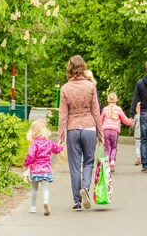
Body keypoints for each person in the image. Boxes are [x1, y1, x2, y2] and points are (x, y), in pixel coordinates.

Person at [58, 55, 103, 211]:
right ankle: (85, 187)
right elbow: (96, 112)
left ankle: (77, 202)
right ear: (83, 67)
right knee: (89, 161)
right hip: (89, 126)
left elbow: (63, 115)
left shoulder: (65, 88)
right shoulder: (91, 87)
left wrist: (60, 136)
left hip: (72, 129)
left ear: (69, 68)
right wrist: (100, 133)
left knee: (74, 166)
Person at [23, 119, 63, 216]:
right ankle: (45, 202)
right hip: (45, 170)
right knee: (46, 188)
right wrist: (61, 145)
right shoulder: (49, 143)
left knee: (34, 189)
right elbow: (57, 150)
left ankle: (33, 207)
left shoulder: (34, 144)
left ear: (32, 132)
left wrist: (26, 164)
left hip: (35, 170)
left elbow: (31, 156)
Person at [101, 92, 133, 172]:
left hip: (106, 130)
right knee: (114, 147)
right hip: (115, 131)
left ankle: (107, 162)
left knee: (107, 148)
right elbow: (125, 120)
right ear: (116, 100)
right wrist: (131, 122)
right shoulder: (118, 109)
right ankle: (112, 160)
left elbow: (100, 120)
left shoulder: (105, 109)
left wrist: (98, 130)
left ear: (108, 100)